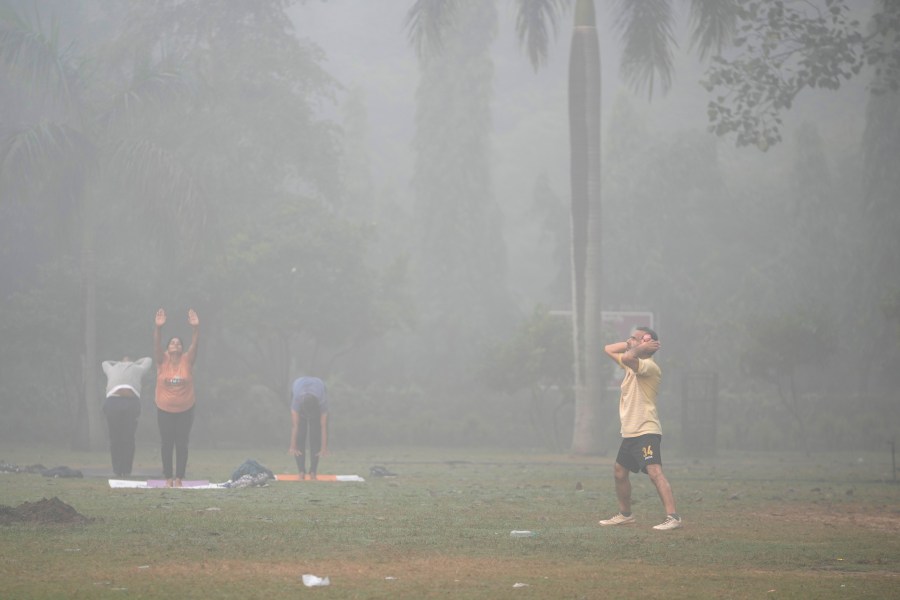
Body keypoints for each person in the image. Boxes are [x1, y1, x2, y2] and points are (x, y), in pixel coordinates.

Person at [599, 326, 682, 531]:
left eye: (635, 339)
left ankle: (673, 517)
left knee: (654, 472)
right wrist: (632, 342)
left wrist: (638, 347)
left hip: (646, 429)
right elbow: (608, 349)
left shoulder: (649, 366)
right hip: (631, 432)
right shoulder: (631, 364)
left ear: (647, 345)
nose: (629, 341)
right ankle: (625, 515)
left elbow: (628, 358)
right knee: (619, 472)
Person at [153, 308, 200, 488]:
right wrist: (158, 328)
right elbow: (156, 345)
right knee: (166, 443)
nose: (176, 345)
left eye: (179, 343)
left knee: (182, 443)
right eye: (172, 343)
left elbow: (195, 345)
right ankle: (168, 478)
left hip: (185, 409)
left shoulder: (187, 360)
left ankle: (179, 477)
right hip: (164, 409)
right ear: (168, 347)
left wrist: (196, 328)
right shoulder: (162, 360)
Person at [101, 355, 153, 477]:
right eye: (124, 359)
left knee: (128, 437)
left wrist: (134, 362)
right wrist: (118, 362)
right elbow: (105, 362)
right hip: (113, 401)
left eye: (128, 359)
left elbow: (148, 360)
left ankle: (126, 469)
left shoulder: (137, 369)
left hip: (131, 402)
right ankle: (117, 469)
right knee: (115, 437)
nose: (126, 360)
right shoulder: (112, 369)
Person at [288, 376, 328, 480]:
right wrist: (293, 445)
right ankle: (301, 471)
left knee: (315, 436)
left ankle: (313, 472)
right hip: (298, 387)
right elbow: (295, 425)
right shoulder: (296, 401)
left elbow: (323, 426)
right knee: (300, 436)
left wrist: (323, 448)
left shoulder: (322, 401)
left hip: (319, 386)